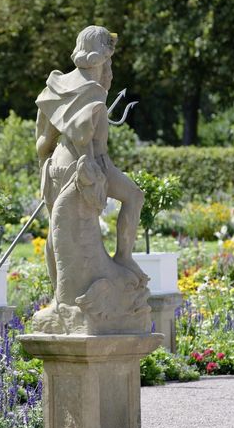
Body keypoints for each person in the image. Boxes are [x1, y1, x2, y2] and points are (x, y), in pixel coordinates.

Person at [33, 26, 148, 330]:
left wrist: (54, 160)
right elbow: (99, 151)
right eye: (109, 58)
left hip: (58, 165)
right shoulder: (94, 92)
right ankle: (124, 259)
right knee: (134, 196)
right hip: (87, 166)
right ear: (102, 56)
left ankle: (61, 299)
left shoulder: (55, 86)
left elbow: (41, 144)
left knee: (57, 231)